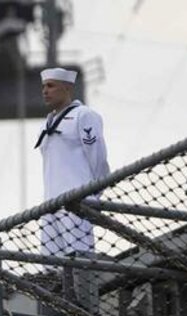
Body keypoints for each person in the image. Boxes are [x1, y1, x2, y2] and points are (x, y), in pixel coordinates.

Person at [36, 67, 110, 258]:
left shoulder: (83, 115)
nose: (45, 91)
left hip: (77, 199)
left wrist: (94, 191)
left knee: (79, 258)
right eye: (44, 87)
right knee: (50, 264)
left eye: (51, 86)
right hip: (50, 203)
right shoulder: (46, 124)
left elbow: (98, 156)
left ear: (67, 88)